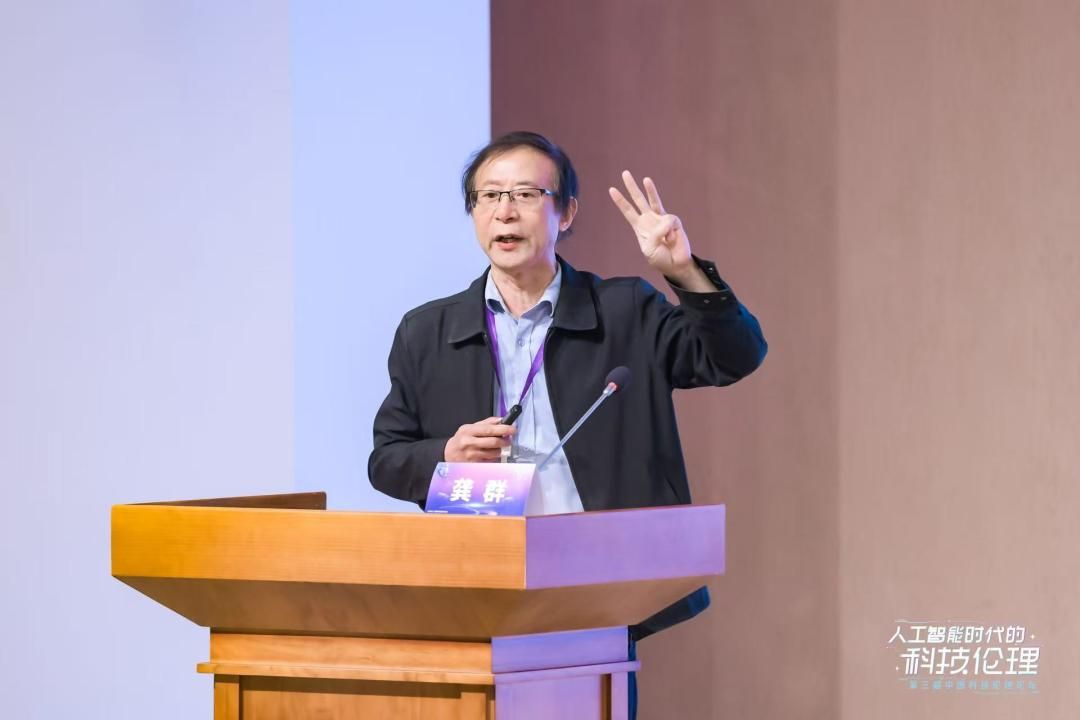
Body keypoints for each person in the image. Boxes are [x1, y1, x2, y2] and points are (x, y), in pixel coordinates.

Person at [368, 131, 767, 715]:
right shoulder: (427, 332)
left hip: (595, 587)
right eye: (489, 196)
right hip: (480, 583)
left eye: (526, 194)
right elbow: (386, 459)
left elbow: (735, 357)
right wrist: (446, 456)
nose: (505, 211)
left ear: (567, 212)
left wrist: (683, 272)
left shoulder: (625, 311)